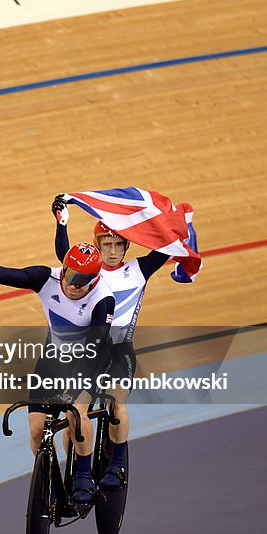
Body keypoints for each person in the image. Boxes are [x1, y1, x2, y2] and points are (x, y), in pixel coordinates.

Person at [0, 225, 115, 505]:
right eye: (70, 275)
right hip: (53, 361)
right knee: (36, 431)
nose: (72, 284)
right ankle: (51, 484)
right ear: (64, 267)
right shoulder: (45, 278)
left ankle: (83, 475)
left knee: (76, 414)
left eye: (81, 280)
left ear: (94, 281)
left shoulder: (102, 299)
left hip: (88, 362)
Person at [50, 194, 198, 492]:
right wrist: (62, 222)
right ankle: (77, 470)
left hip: (118, 351)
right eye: (107, 244)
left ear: (127, 245)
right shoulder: (87, 267)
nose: (114, 250)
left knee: (115, 403)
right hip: (86, 351)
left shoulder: (139, 269)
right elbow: (62, 252)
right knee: (73, 415)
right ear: (98, 244)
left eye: (119, 244)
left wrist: (181, 221)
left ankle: (117, 463)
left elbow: (166, 245)